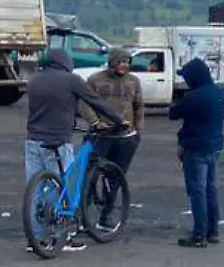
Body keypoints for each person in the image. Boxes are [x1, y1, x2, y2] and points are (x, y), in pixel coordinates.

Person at [24, 49, 123, 184]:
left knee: (35, 184)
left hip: (32, 140)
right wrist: (119, 120)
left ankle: (35, 205)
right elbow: (96, 102)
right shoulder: (72, 80)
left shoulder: (34, 80)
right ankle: (63, 205)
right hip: (58, 140)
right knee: (65, 184)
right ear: (66, 62)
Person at [167, 58, 224, 247]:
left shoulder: (194, 96)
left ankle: (199, 234)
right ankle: (213, 231)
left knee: (197, 191)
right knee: (211, 189)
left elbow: (173, 113)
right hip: (215, 145)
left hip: (195, 147)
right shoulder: (218, 92)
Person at [83, 48, 145, 177]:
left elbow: (139, 105)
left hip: (126, 137)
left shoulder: (134, 81)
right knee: (91, 175)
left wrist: (138, 128)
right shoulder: (95, 80)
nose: (124, 65)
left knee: (118, 175)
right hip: (101, 136)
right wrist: (95, 122)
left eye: (127, 62)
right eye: (120, 62)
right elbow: (85, 104)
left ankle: (112, 196)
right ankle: (89, 196)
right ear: (112, 62)